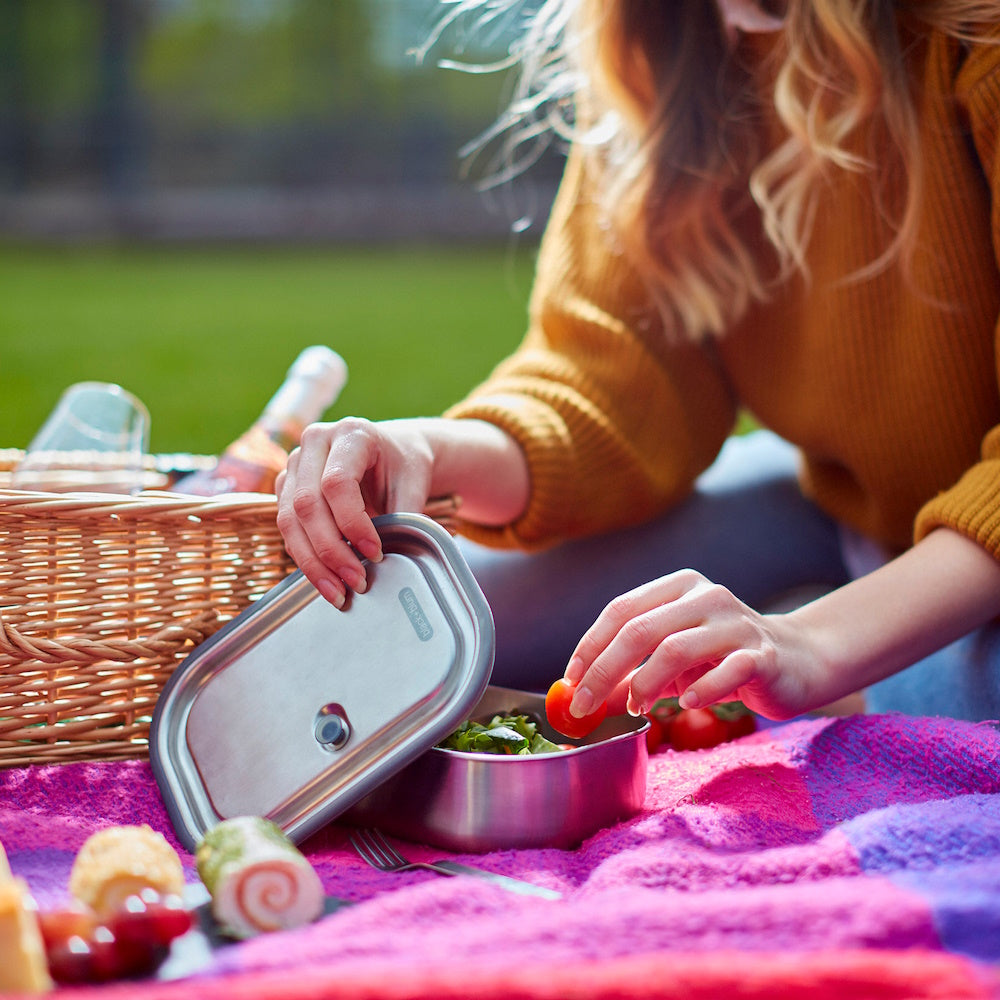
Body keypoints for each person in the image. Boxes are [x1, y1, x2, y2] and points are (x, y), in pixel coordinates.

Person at [275, 0, 1000, 724]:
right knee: (403, 633)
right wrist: (426, 449)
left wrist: (811, 644)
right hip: (848, 507)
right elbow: (610, 385)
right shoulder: (656, 36)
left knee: (946, 695)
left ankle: (836, 673)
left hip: (976, 560)